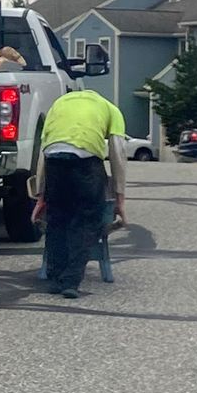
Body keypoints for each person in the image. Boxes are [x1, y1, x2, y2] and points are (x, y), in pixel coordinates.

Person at [31, 85, 128, 300]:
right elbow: (118, 155)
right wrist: (119, 199)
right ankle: (71, 282)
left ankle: (55, 279)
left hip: (54, 159)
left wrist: (41, 196)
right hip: (86, 163)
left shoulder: (58, 106)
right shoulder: (110, 109)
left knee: (57, 218)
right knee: (86, 219)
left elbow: (43, 152)